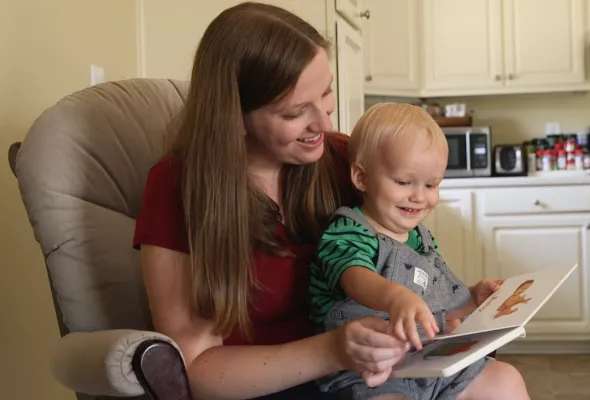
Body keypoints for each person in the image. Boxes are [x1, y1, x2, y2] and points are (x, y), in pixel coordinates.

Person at [133, 2, 527, 399]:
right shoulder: (178, 187)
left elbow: (405, 263)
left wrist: (455, 311)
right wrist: (335, 350)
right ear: (234, 116)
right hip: (273, 385)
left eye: (326, 92)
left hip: (389, 364)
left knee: (502, 382)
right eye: (295, 112)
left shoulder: (343, 158)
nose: (324, 122)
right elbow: (196, 368)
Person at [308, 103, 531, 399]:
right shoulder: (349, 229)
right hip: (366, 372)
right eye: (403, 182)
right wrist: (396, 297)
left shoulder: (421, 238)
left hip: (427, 359)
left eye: (431, 185)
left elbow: (435, 300)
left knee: (505, 378)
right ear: (361, 177)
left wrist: (471, 299)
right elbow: (353, 276)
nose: (418, 197)